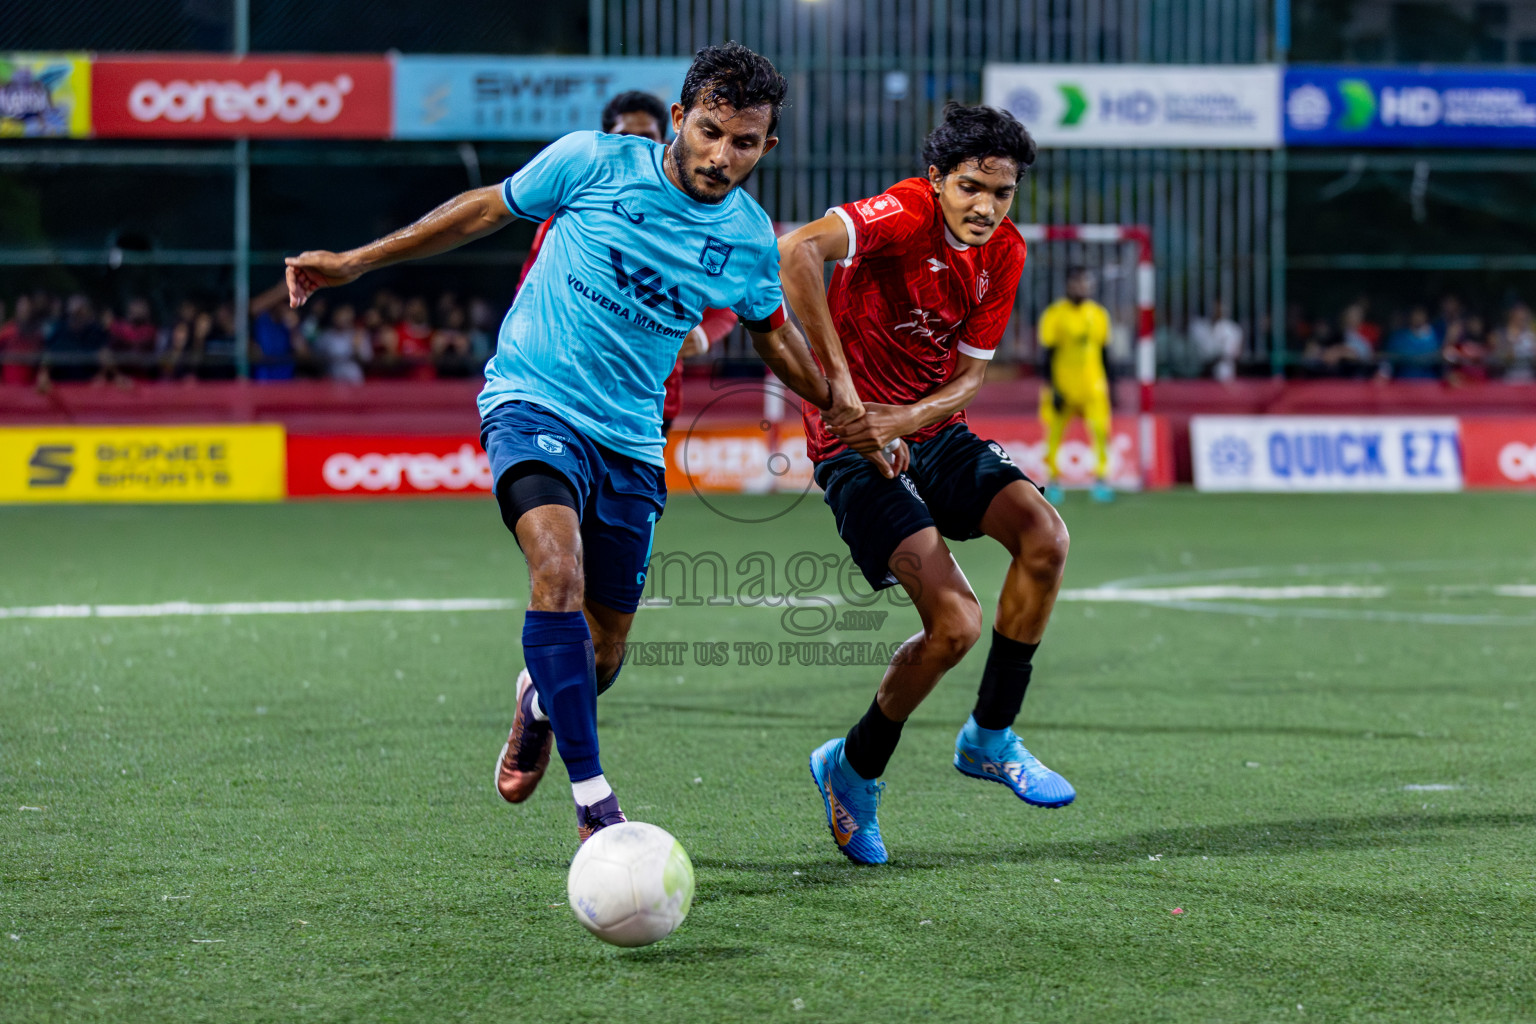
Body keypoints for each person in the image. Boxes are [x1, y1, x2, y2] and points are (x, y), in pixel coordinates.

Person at [284, 42, 835, 843]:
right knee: (557, 570)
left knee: (604, 651)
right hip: (532, 399)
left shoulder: (750, 238)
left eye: (743, 142)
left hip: (634, 441)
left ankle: (539, 702)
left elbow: (774, 334)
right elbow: (483, 208)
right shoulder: (592, 162)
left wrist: (839, 408)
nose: (722, 156)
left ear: (767, 147)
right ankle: (594, 801)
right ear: (680, 118)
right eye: (710, 131)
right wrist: (356, 263)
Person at [777, 101, 1073, 866]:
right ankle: (853, 769)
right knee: (956, 627)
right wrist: (846, 398)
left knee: (1045, 537)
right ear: (937, 179)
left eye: (1002, 193)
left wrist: (903, 420)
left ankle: (990, 736)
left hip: (928, 430)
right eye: (972, 187)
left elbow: (971, 376)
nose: (986, 207)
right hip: (850, 448)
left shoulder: (1004, 251)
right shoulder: (902, 214)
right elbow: (797, 253)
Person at [516, 88, 739, 440]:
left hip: (651, 402)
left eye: (646, 138)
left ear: (665, 140)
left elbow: (731, 303)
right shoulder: (571, 213)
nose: (635, 147)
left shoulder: (699, 222)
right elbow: (529, 293)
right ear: (606, 141)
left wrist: (702, 335)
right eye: (624, 138)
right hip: (570, 391)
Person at [1038, 266, 1114, 503]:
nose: (1082, 287)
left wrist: (1113, 385)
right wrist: (1053, 388)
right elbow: (1046, 355)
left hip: (1093, 386)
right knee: (1054, 434)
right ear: (1068, 285)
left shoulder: (1099, 314)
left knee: (1101, 431)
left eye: (1085, 283)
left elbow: (1104, 352)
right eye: (1077, 283)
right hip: (1063, 387)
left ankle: (1101, 480)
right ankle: (1052, 481)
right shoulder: (1055, 314)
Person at [1190, 298, 1243, 382]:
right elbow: (1199, 353)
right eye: (1214, 307)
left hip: (1225, 376)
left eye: (1219, 307)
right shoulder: (1199, 327)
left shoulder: (1233, 329)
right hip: (1201, 375)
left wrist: (1215, 357)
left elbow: (1233, 353)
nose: (1217, 310)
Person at [0, 295, 46, 387]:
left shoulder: (37, 335)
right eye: (21, 306)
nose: (24, 309)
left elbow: (42, 361)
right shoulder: (7, 331)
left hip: (29, 387)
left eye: (26, 306)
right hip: (7, 386)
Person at [1385, 305, 1440, 380]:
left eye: (1420, 314)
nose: (1417, 318)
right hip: (1404, 380)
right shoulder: (1398, 336)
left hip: (1427, 382)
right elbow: (1389, 359)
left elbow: (1436, 355)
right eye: (1415, 314)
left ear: (1426, 317)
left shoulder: (1434, 336)